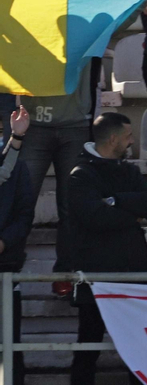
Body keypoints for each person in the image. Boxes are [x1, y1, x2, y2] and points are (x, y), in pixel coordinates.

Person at [66, 112, 147, 385]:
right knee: (88, 348)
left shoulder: (129, 171)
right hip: (96, 280)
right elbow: (94, 218)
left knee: (140, 351)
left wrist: (114, 200)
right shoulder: (80, 175)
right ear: (112, 139)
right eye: (128, 136)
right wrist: (132, 215)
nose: (132, 141)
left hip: (134, 275)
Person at [0, 108, 32, 382]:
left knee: (10, 347)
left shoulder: (16, 168)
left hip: (5, 271)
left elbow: (24, 214)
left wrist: (4, 242)